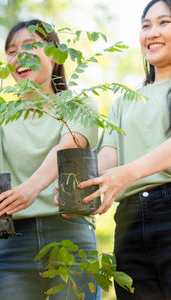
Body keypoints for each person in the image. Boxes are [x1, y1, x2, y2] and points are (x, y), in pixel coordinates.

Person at [0, 19, 102, 300]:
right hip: (14, 242)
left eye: (29, 46)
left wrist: (31, 188)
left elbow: (66, 149)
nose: (19, 56)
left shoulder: (79, 104)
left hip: (70, 234)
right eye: (12, 50)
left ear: (54, 54)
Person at [78, 0, 171, 299]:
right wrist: (84, 184)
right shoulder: (126, 100)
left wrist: (126, 174)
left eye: (164, 23)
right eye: (146, 26)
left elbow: (125, 170)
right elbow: (110, 154)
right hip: (129, 219)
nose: (152, 32)